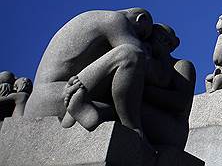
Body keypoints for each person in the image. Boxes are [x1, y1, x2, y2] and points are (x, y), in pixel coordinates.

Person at [24, 8, 154, 140]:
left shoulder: (92, 18)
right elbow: (141, 57)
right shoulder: (115, 19)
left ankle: (72, 116)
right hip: (54, 96)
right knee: (130, 54)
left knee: (117, 111)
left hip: (41, 102)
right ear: (140, 19)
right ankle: (132, 130)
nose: (140, 38)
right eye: (142, 34)